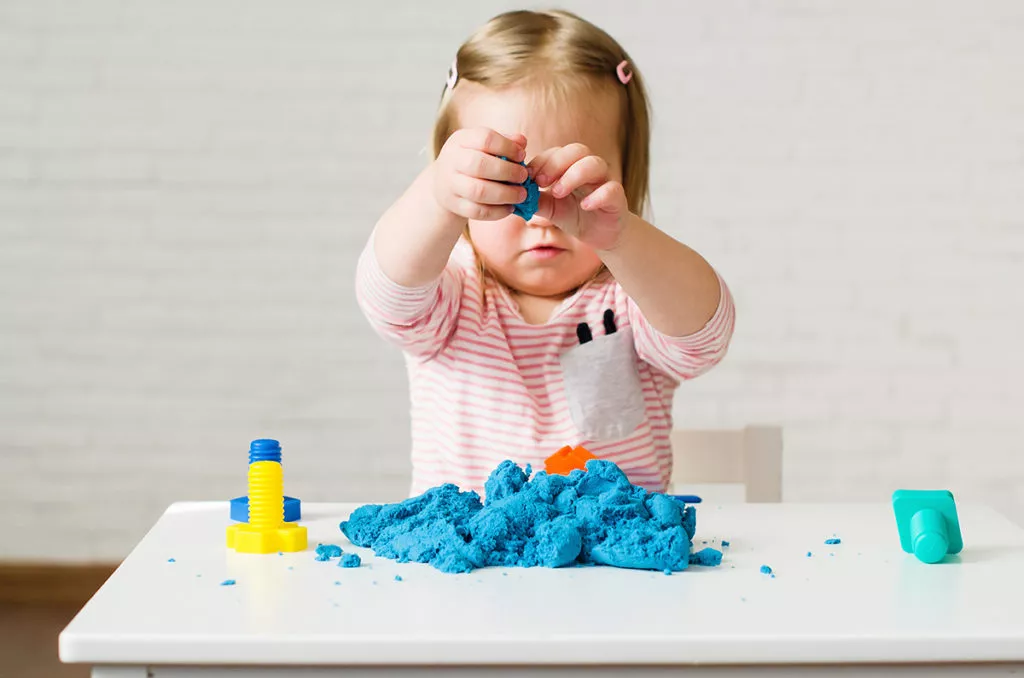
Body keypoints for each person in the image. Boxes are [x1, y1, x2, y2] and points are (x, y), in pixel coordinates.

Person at [356, 9, 735, 496]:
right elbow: (385, 296)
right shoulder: (450, 298)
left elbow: (705, 338)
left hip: (612, 566)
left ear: (627, 180)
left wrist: (620, 237)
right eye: (501, 184)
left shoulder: (632, 299)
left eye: (572, 187)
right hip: (470, 564)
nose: (542, 214)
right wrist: (435, 196)